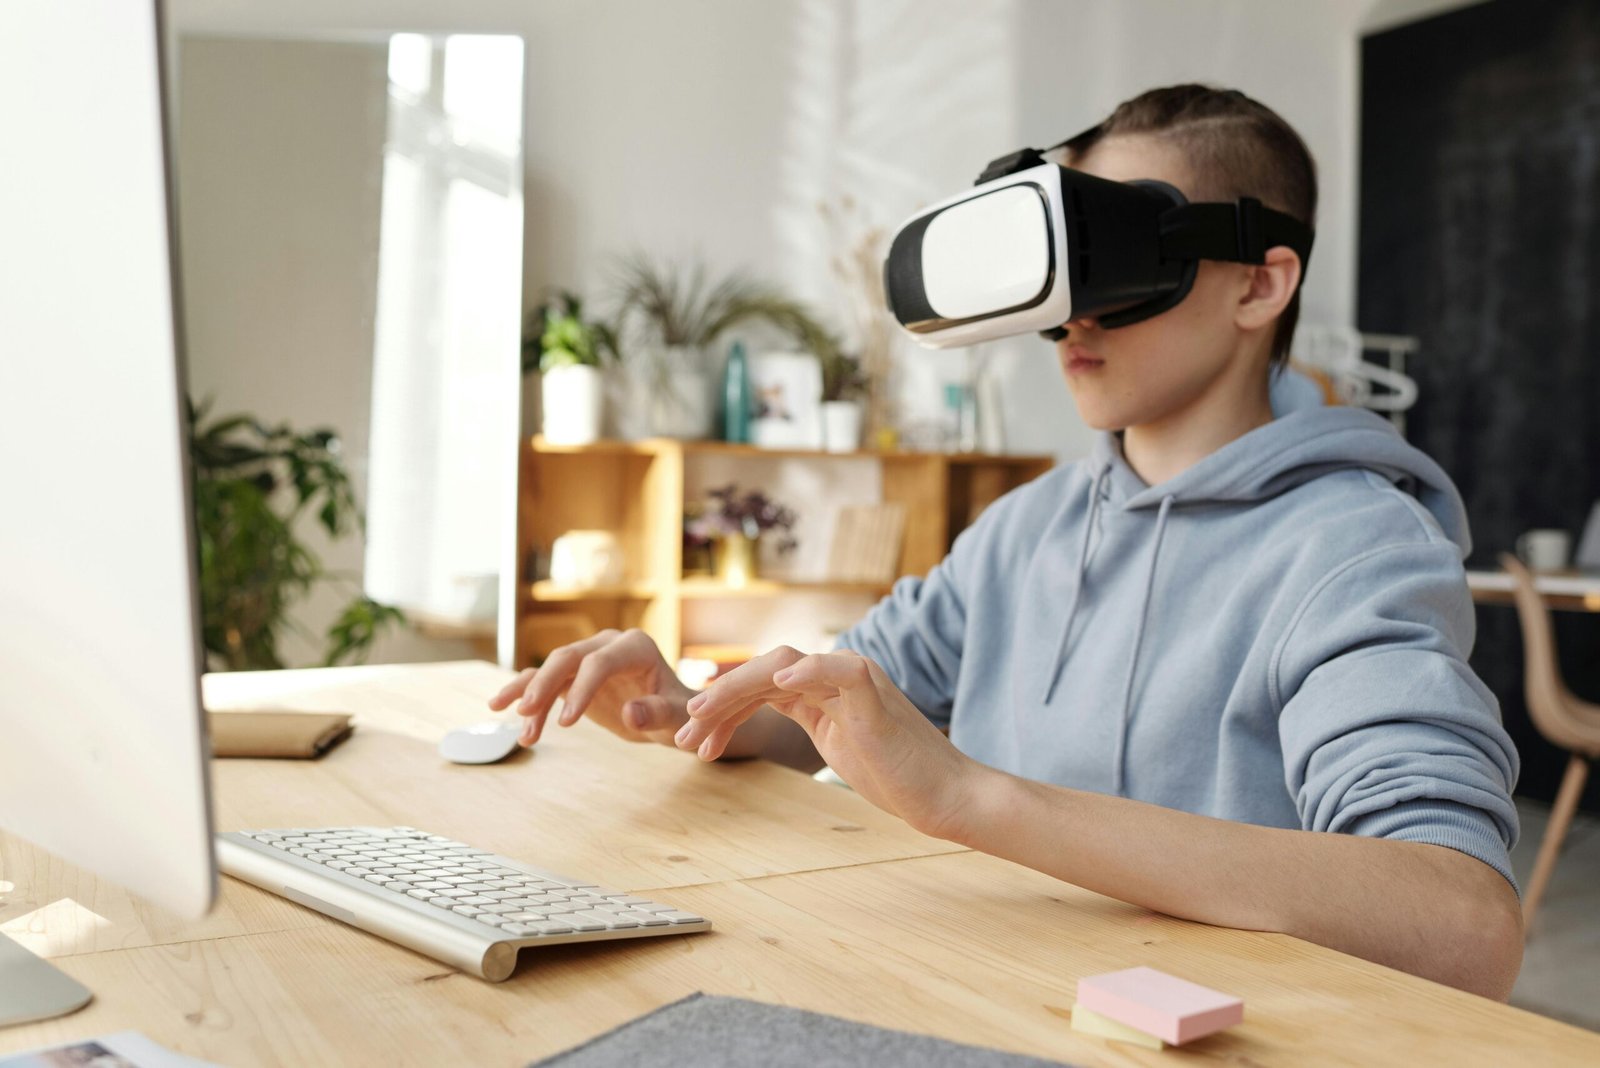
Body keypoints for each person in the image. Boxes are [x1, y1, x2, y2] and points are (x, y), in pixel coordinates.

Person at [490, 85, 1523, 999]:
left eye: (1118, 262)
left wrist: (969, 797)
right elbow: (848, 712)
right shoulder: (1029, 523)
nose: (1074, 318)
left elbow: (1461, 922)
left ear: (1259, 284)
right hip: (979, 998)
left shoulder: (1351, 546)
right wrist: (696, 703)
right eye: (1064, 272)